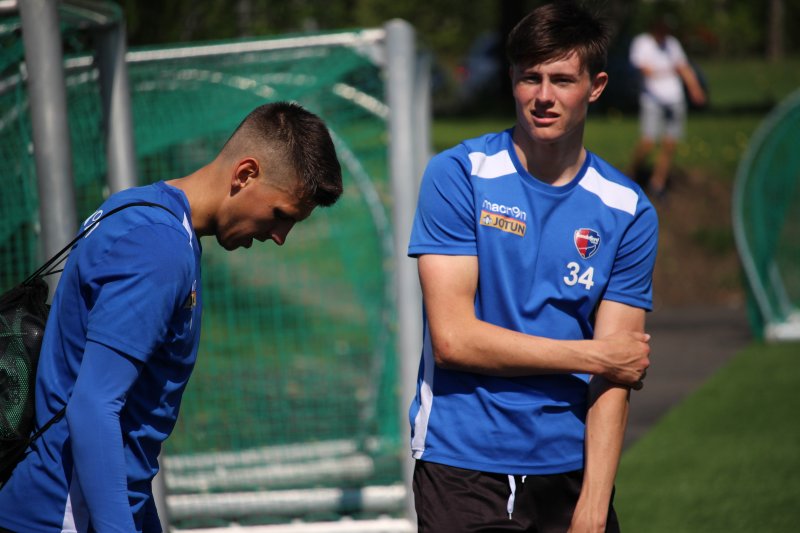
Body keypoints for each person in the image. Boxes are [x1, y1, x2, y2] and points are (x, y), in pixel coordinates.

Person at [0, 102, 342, 532]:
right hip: (64, 517)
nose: (280, 237)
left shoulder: (142, 208)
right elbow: (93, 406)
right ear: (245, 174)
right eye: (280, 215)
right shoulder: (158, 247)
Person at [406, 3, 658, 532]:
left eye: (562, 79)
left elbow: (617, 375)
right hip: (464, 465)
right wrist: (592, 355)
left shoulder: (628, 210)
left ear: (596, 86)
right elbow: (454, 339)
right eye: (530, 78)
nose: (544, 96)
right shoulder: (459, 175)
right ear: (513, 80)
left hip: (570, 470)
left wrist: (594, 502)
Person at [629, 13, 707, 199]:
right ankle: (631, 174)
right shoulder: (643, 43)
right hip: (652, 99)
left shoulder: (672, 44)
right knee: (648, 142)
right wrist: (669, 70)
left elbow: (683, 67)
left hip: (675, 99)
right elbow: (645, 70)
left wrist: (695, 88)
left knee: (670, 144)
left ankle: (658, 183)